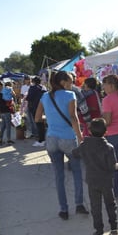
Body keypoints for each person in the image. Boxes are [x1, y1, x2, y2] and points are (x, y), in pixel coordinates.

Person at [34, 71, 89, 220]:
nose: (72, 84)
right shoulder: (70, 95)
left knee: (59, 175)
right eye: (71, 81)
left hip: (52, 139)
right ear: (63, 82)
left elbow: (37, 118)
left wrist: (51, 119)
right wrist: (80, 137)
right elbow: (73, 117)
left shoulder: (45, 96)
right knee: (77, 171)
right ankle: (79, 205)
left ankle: (63, 209)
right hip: (68, 139)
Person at [72, 118, 118, 235]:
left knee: (95, 206)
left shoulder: (85, 145)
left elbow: (74, 153)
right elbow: (112, 166)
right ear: (105, 132)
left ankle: (98, 231)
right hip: (106, 182)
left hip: (92, 181)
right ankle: (114, 229)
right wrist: (117, 166)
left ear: (90, 131)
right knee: (110, 204)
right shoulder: (109, 147)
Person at [26, 76, 47, 146]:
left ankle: (41, 140)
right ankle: (43, 139)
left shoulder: (32, 88)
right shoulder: (43, 88)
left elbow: (29, 98)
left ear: (33, 82)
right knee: (42, 124)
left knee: (38, 124)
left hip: (34, 108)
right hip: (43, 107)